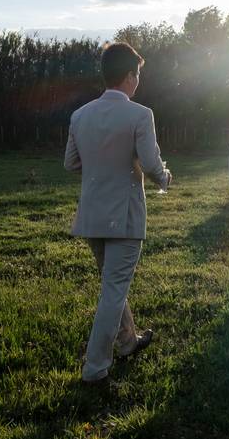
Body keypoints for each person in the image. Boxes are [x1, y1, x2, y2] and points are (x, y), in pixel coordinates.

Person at [64, 42, 171, 382]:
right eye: (138, 74)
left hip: (92, 216)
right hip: (124, 217)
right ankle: (95, 368)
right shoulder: (140, 114)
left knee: (113, 285)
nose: (138, 81)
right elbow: (153, 165)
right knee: (114, 290)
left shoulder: (80, 115)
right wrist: (165, 178)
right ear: (129, 76)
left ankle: (127, 341)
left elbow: (70, 163)